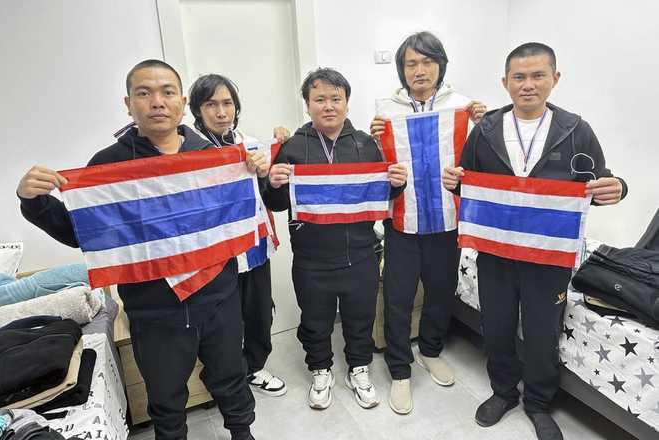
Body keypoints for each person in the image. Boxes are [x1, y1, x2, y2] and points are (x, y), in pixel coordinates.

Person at [16, 60, 257, 440]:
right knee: (165, 397)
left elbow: (236, 214)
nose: (157, 102)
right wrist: (34, 202)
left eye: (167, 92)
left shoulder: (210, 152)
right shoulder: (108, 164)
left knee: (231, 375)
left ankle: (242, 432)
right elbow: (84, 235)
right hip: (154, 308)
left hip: (219, 294)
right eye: (144, 93)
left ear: (182, 101)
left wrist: (253, 168)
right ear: (128, 103)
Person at [442, 43, 627, 440]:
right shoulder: (486, 130)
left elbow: (601, 181)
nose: (528, 84)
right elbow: (469, 186)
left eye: (538, 75)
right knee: (497, 326)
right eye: (519, 77)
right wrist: (454, 183)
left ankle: (539, 402)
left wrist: (619, 187)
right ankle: (503, 392)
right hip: (495, 253)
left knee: (544, 331)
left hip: (549, 256)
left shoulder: (576, 130)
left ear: (554, 79)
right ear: (505, 83)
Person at [264, 68, 407, 410]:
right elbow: (278, 204)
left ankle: (358, 368)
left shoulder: (367, 145)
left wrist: (397, 183)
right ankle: (320, 368)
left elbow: (382, 196)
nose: (328, 106)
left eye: (335, 99)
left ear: (346, 102)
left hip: (360, 254)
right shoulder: (293, 147)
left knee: (360, 318)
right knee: (315, 320)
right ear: (307, 104)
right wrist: (273, 183)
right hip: (312, 259)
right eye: (319, 99)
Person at [369, 31, 487, 415]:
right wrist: (375, 142)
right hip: (402, 221)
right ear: (402, 70)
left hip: (447, 219)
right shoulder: (385, 110)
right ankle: (400, 370)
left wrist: (484, 124)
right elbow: (374, 167)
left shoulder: (464, 107)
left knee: (441, 291)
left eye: (427, 62)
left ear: (440, 65)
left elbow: (486, 159)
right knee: (399, 299)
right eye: (411, 64)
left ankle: (432, 350)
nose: (419, 71)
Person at [188, 73, 288, 397]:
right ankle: (227, 380)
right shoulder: (189, 152)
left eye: (227, 103)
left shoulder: (252, 143)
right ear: (198, 110)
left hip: (254, 246)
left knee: (259, 312)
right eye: (211, 104)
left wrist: (267, 171)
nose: (221, 112)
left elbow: (273, 197)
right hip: (216, 255)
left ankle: (256, 367)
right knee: (222, 324)